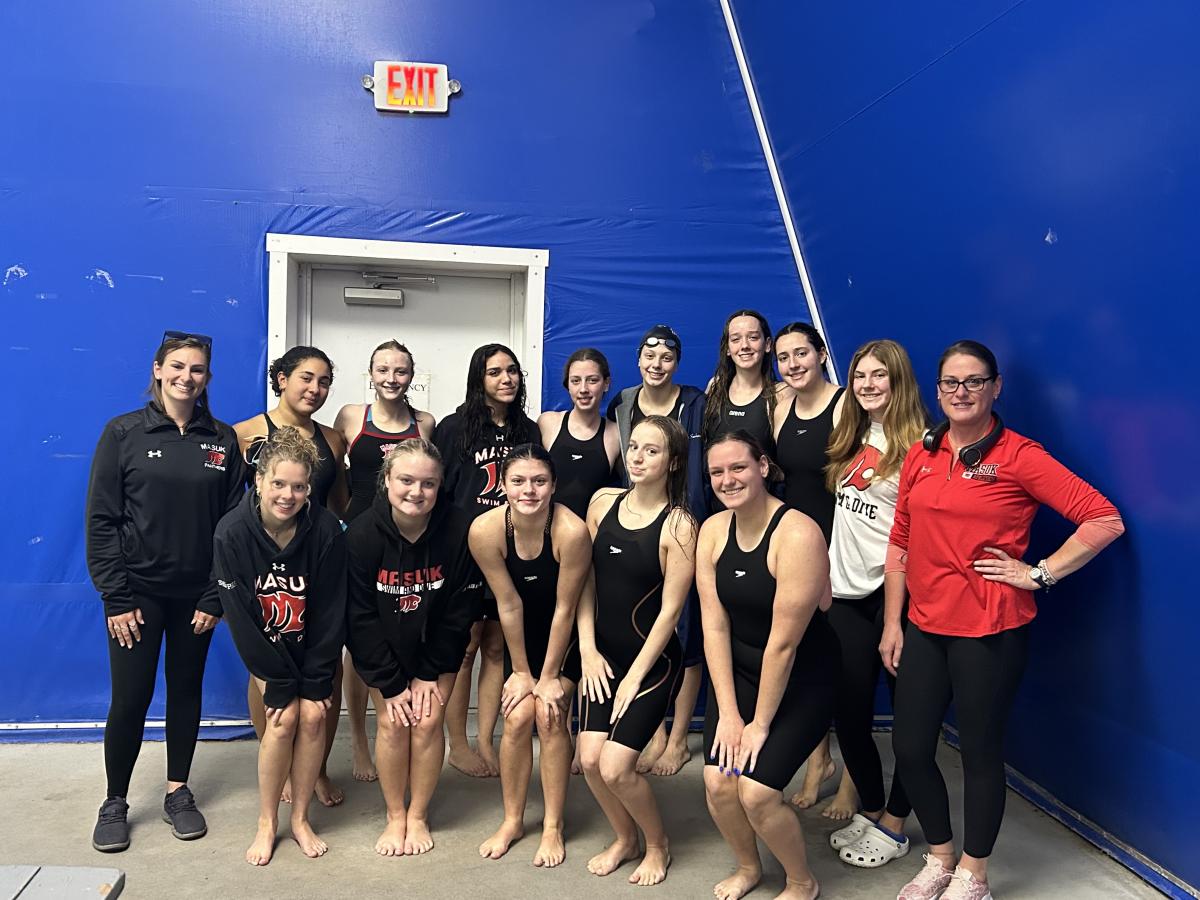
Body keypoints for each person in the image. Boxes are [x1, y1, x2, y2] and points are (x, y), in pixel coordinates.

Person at [884, 340, 1124, 900]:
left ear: (995, 388)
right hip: (924, 624)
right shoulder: (922, 452)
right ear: (936, 390)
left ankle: (974, 872)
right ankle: (941, 856)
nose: (960, 393)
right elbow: (900, 539)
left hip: (990, 630)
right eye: (950, 383)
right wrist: (893, 623)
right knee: (912, 749)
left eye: (973, 381)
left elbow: (1103, 518)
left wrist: (1039, 573)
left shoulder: (1019, 455)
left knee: (979, 753)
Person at [87, 330, 246, 853]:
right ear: (157, 369)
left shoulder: (222, 441)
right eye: (177, 366)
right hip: (137, 596)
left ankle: (178, 791)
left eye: (197, 369)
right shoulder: (123, 433)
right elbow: (102, 520)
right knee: (130, 699)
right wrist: (116, 597)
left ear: (207, 379)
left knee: (185, 692)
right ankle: (115, 801)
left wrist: (214, 596)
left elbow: (230, 527)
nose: (186, 377)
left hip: (195, 599)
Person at [699, 431, 838, 900]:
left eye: (738, 467)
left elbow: (783, 645)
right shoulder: (713, 531)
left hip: (803, 676)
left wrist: (758, 724)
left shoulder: (798, 533)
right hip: (741, 673)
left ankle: (802, 880)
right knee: (719, 781)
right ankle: (747, 867)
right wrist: (730, 713)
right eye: (717, 472)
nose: (727, 479)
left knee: (756, 791)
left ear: (763, 466)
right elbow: (714, 627)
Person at [207, 427, 347, 864]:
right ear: (260, 481)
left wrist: (320, 675)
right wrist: (275, 678)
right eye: (279, 484)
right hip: (268, 651)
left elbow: (330, 610)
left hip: (312, 648)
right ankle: (268, 822)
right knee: (283, 719)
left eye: (300, 486)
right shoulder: (232, 532)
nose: (288, 495)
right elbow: (242, 620)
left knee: (312, 718)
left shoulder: (325, 529)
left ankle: (301, 819)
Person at [817, 341, 927, 866]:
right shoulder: (853, 434)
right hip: (843, 592)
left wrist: (896, 615)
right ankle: (876, 807)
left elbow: (916, 535)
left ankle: (898, 821)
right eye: (859, 375)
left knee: (909, 718)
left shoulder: (924, 446)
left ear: (898, 380)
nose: (866, 385)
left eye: (878, 376)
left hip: (896, 595)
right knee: (850, 714)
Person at [345, 440, 482, 856]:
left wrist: (429, 672)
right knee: (391, 722)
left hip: (435, 649)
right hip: (384, 647)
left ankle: (417, 814)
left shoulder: (459, 529)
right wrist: (389, 684)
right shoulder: (362, 535)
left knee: (426, 722)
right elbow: (359, 618)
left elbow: (461, 611)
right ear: (386, 481)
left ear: (440, 487)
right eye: (405, 480)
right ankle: (394, 815)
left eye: (428, 483)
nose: (416, 492)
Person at [577, 416, 697, 887]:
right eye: (634, 448)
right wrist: (586, 649)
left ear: (672, 462)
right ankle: (624, 837)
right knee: (588, 760)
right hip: (601, 656)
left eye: (652, 450)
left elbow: (670, 614)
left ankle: (657, 844)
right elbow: (584, 581)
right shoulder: (602, 503)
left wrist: (634, 677)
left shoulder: (680, 525)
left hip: (651, 663)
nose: (638, 457)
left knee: (616, 766)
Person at [233, 345, 348, 808]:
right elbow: (233, 508)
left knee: (327, 669)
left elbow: (338, 505)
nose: (314, 389)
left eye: (323, 382)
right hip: (264, 567)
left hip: (315, 564)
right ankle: (276, 762)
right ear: (280, 379)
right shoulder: (245, 434)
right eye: (305, 378)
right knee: (267, 668)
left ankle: (315, 769)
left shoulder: (332, 439)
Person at [470, 445, 591, 867]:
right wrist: (522, 672)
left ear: (553, 485)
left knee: (549, 714)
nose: (529, 490)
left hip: (566, 639)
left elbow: (566, 608)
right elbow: (508, 604)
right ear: (503, 485)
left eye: (539, 481)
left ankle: (553, 825)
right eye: (518, 481)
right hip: (522, 639)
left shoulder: (570, 532)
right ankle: (513, 820)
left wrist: (549, 676)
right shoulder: (485, 531)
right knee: (518, 716)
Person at [434, 343, 541, 778]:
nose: (506, 379)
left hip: (513, 550)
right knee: (465, 646)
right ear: (479, 378)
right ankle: (457, 743)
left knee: (498, 644)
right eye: (495, 372)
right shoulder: (454, 427)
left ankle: (485, 739)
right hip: (465, 551)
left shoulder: (528, 430)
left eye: (512, 371)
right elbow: (440, 493)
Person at [335, 339, 436, 784]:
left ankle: (394, 728)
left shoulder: (424, 423)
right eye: (383, 370)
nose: (391, 379)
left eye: (400, 371)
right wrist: (342, 523)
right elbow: (337, 477)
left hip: (405, 540)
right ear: (371, 374)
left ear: (411, 377)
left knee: (394, 635)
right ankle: (359, 739)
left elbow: (428, 477)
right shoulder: (351, 417)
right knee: (355, 645)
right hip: (357, 534)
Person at [606, 325, 705, 778]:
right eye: (649, 355)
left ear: (677, 362)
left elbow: (702, 468)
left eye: (666, 356)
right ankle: (656, 729)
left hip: (682, 522)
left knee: (685, 629)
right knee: (644, 620)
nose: (656, 363)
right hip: (637, 522)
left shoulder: (695, 403)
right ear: (638, 359)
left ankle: (679, 735)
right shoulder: (623, 402)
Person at [771, 321, 846, 809]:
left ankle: (854, 782)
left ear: (821, 353)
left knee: (845, 663)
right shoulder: (779, 406)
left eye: (802, 353)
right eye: (784, 356)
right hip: (796, 546)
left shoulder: (845, 405)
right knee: (803, 656)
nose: (793, 364)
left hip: (841, 548)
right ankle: (817, 758)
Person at [538, 348, 620, 520]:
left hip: (591, 537)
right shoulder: (547, 423)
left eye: (592, 380)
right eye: (575, 381)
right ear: (567, 384)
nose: (583, 389)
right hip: (546, 533)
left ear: (606, 383)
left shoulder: (616, 434)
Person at [702, 310, 784, 459]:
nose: (744, 345)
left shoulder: (780, 394)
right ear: (727, 348)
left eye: (753, 337)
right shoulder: (715, 387)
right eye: (735, 339)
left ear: (767, 345)